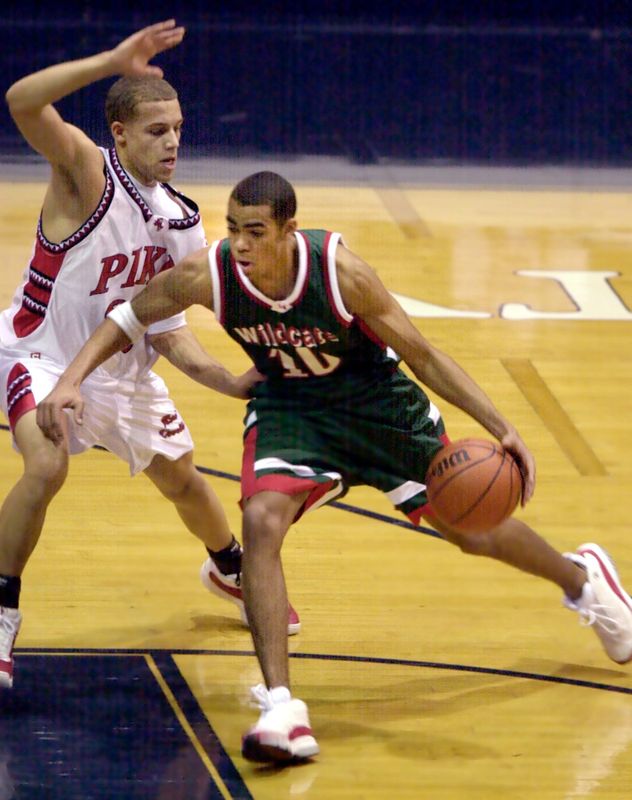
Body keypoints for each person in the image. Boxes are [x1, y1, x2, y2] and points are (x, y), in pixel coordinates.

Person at [37, 171, 632, 764]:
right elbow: (128, 317)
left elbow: (423, 353)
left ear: (288, 230)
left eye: (256, 231)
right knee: (262, 520)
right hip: (293, 408)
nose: (241, 243)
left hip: (378, 408)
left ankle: (583, 581)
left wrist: (503, 425)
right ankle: (281, 707)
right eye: (234, 229)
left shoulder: (338, 270)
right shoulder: (211, 273)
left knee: (470, 530)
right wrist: (69, 380)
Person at [0, 26, 301, 691]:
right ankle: (1, 608)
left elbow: (163, 327)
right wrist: (111, 61)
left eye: (178, 129)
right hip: (40, 356)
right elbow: (21, 101)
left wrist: (226, 380)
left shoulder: (182, 220)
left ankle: (226, 563)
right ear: (120, 134)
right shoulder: (85, 174)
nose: (172, 142)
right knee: (47, 463)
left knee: (185, 480)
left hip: (122, 374)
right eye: (157, 130)